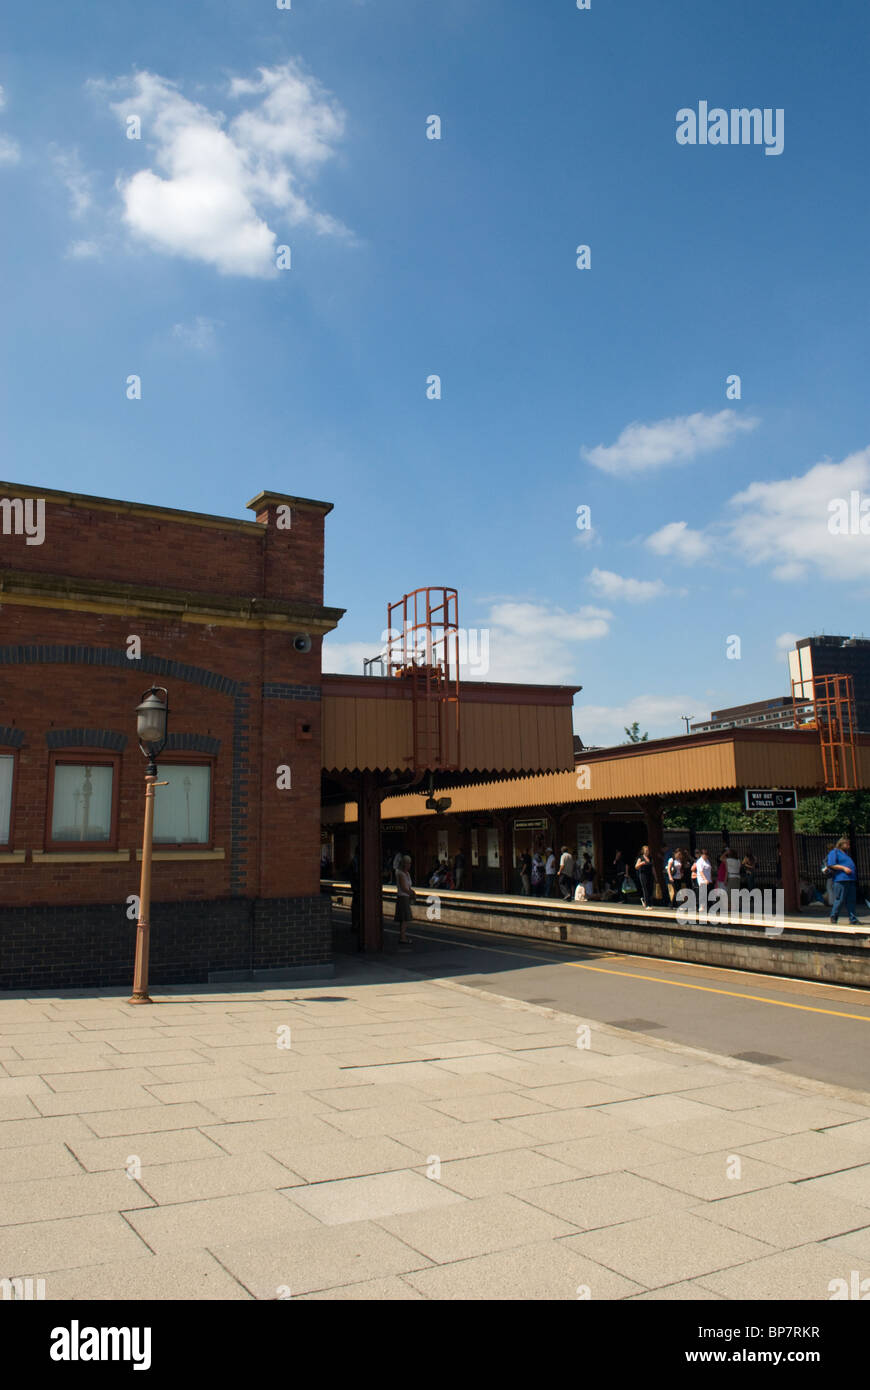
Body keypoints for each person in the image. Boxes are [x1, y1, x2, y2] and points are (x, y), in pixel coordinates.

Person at [827, 836, 860, 926]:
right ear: (841, 844)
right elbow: (831, 864)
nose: (848, 846)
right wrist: (844, 868)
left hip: (850, 879)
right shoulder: (834, 852)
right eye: (847, 844)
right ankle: (834, 916)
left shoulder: (845, 854)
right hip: (841, 879)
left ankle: (852, 918)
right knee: (840, 899)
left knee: (851, 900)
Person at [395, 854, 414, 946]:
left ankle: (403, 936)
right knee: (404, 919)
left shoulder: (407, 873)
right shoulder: (400, 873)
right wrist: (412, 893)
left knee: (405, 919)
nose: (409, 865)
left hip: (406, 897)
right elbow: (403, 888)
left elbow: (408, 886)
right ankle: (402, 937)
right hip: (402, 897)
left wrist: (411, 892)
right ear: (404, 864)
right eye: (408, 863)